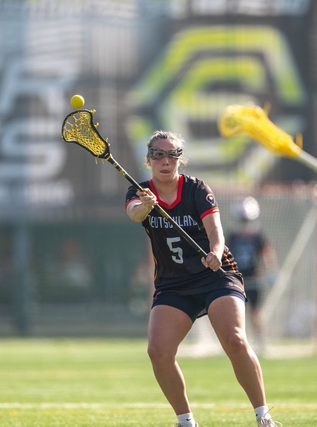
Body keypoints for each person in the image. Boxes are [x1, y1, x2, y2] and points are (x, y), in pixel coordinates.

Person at [125, 130, 279, 427]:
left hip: (215, 275)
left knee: (234, 339)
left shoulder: (196, 189)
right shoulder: (139, 191)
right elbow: (134, 213)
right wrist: (146, 205)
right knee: (158, 351)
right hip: (173, 284)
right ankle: (186, 422)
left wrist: (216, 252)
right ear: (148, 160)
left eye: (172, 155)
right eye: (158, 155)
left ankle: (264, 416)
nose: (165, 161)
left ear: (180, 159)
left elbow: (215, 230)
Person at [226, 196, 277, 354]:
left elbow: (267, 252)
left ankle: (260, 340)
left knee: (255, 310)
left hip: (253, 277)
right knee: (234, 311)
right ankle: (233, 339)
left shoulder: (257, 236)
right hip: (236, 278)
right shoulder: (232, 237)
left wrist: (271, 271)